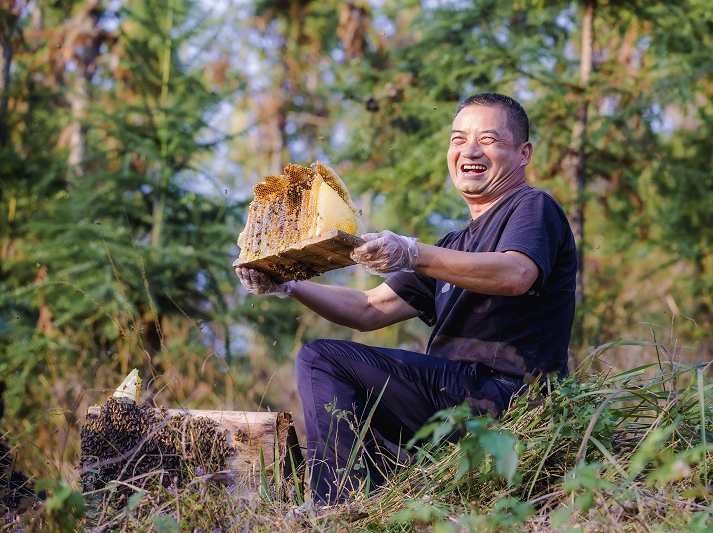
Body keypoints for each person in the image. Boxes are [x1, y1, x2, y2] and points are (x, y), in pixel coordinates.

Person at [235, 92, 577, 504]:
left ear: (524, 153)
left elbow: (516, 273)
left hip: (505, 395)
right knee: (342, 386)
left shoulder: (532, 206)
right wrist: (288, 284)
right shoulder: (454, 244)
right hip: (454, 396)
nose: (469, 150)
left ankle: (332, 509)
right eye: (457, 139)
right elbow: (367, 309)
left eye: (488, 139)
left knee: (321, 359)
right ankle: (364, 502)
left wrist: (415, 253)